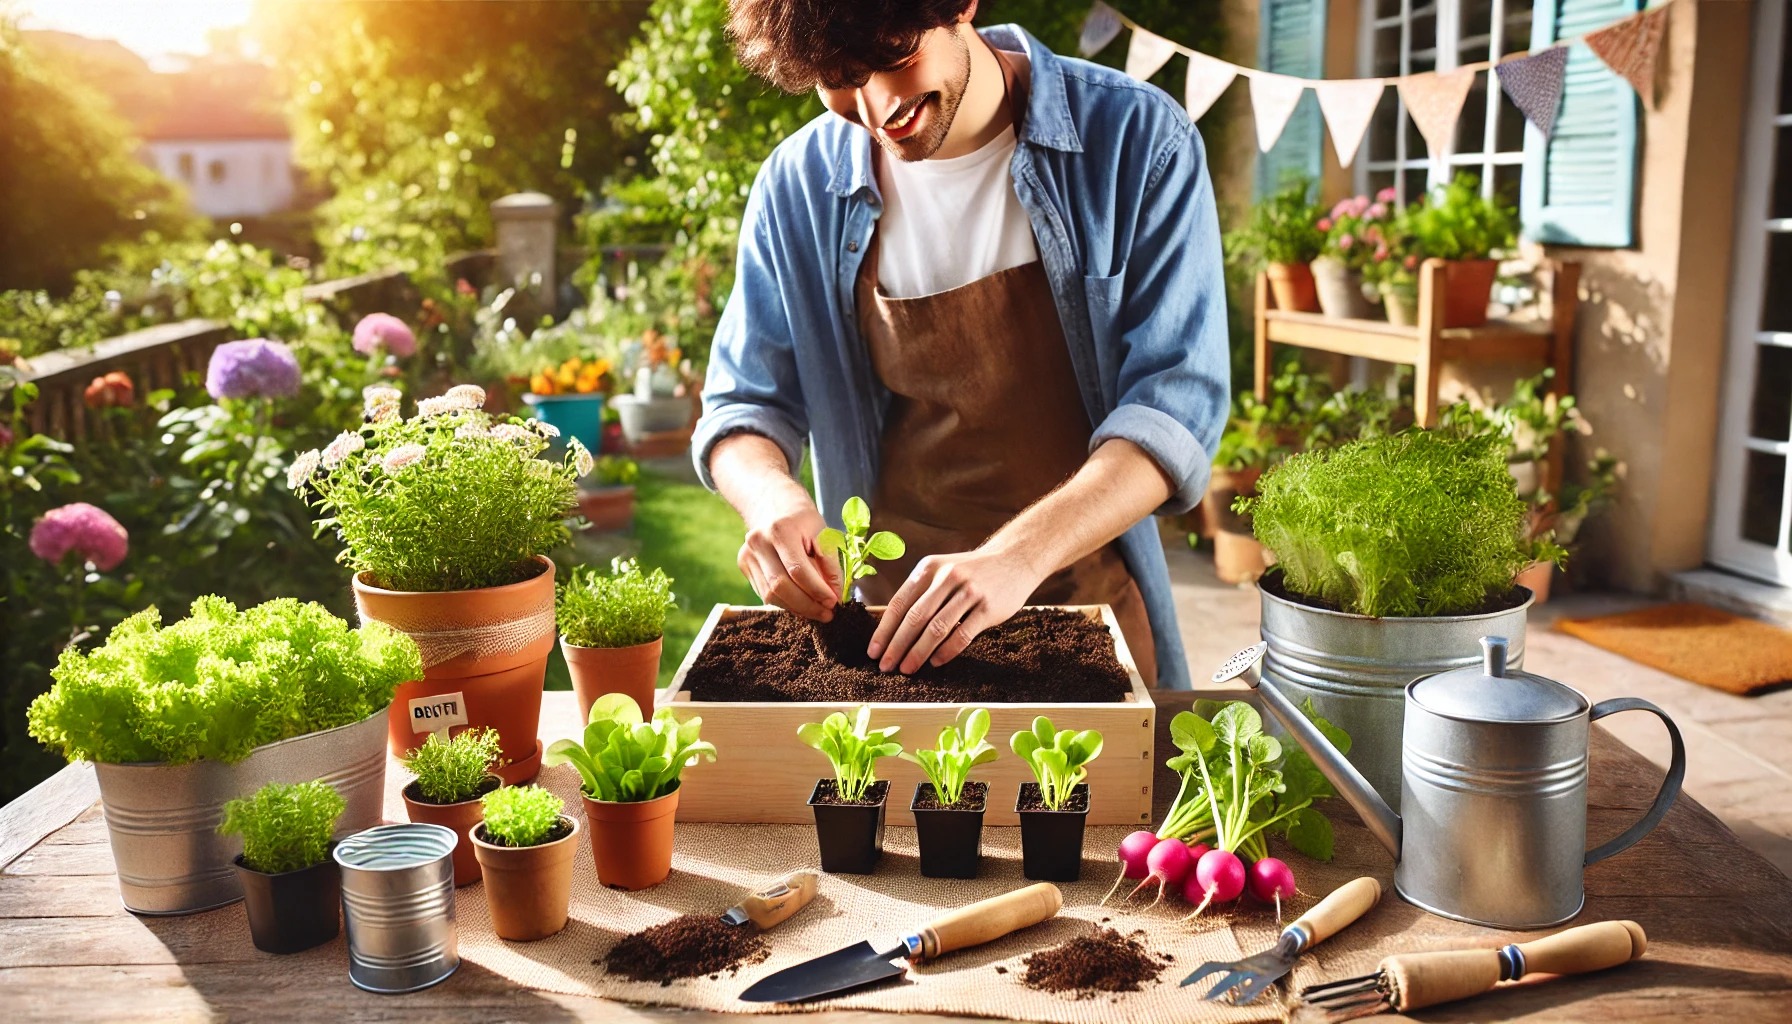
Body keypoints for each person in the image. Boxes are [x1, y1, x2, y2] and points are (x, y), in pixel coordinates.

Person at [694, 0, 1228, 689]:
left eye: (893, 56)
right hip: (891, 634)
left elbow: (1176, 406)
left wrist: (1013, 559)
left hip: (1083, 611)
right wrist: (771, 499)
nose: (877, 104)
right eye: (839, 78)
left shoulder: (1137, 140)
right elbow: (742, 404)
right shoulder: (796, 187)